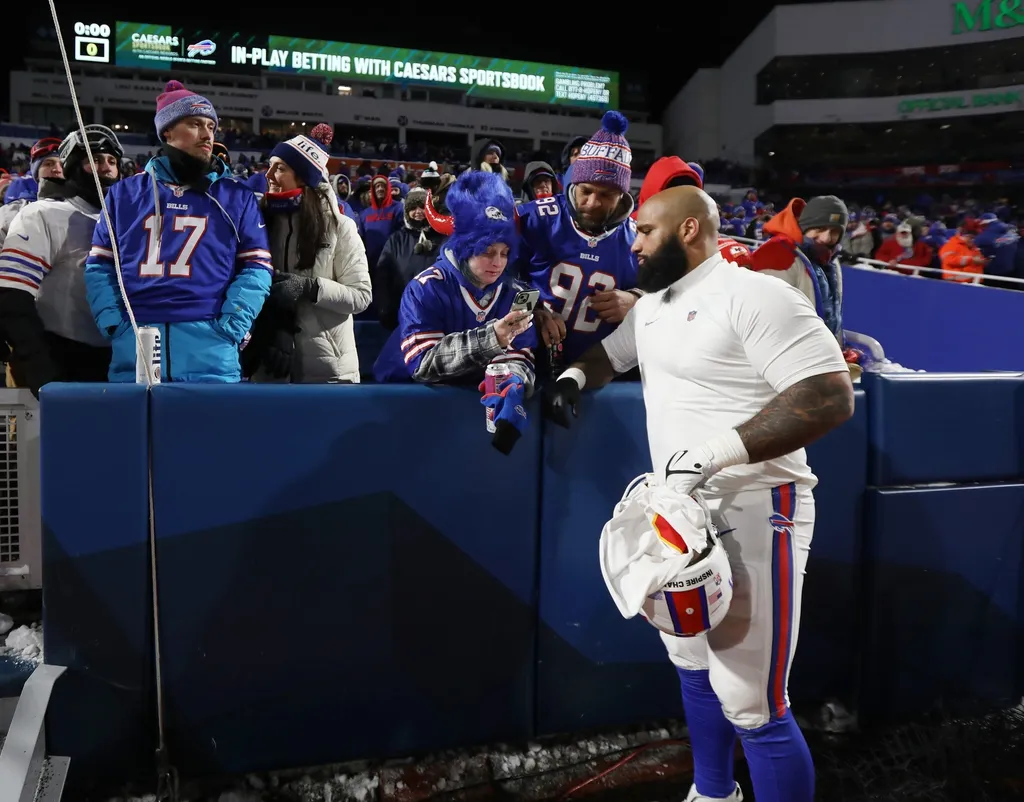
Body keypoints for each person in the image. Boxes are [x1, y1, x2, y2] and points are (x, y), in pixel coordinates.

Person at [546, 186, 855, 802]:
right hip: (681, 510)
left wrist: (714, 454)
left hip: (757, 504)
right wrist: (576, 376)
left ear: (690, 230)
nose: (633, 242)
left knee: (753, 702)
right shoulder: (656, 303)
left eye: (646, 231)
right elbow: (614, 353)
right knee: (692, 666)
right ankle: (713, 793)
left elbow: (829, 395)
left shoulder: (754, 294)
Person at [85, 80, 272, 382]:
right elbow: (99, 266)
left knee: (209, 429)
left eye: (211, 126)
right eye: (195, 124)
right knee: (136, 429)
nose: (207, 134)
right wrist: (114, 324)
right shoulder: (123, 195)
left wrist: (231, 327)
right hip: (136, 340)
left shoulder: (236, 197)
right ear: (167, 131)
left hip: (211, 344)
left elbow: (257, 267)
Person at [373, 171, 537, 452]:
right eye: (487, 251)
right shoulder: (425, 287)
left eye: (504, 252)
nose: (498, 263)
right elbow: (423, 364)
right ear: (464, 248)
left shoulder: (513, 292)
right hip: (399, 403)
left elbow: (521, 353)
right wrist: (491, 339)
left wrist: (512, 379)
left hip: (464, 410)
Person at [0, 126, 123, 395]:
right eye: (94, 159)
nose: (105, 168)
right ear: (72, 166)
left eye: (111, 161)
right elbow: (12, 294)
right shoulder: (44, 214)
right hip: (63, 356)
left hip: (118, 360)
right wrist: (40, 365)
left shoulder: (127, 221)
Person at [515, 110, 641, 367]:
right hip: (529, 361)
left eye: (607, 195)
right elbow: (503, 277)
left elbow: (667, 294)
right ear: (574, 183)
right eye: (586, 190)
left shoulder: (638, 237)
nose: (593, 203)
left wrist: (638, 301)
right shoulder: (535, 219)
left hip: (599, 370)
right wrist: (532, 311)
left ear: (622, 196)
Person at [247, 128, 371, 383]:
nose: (268, 175)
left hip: (329, 371)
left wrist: (310, 288)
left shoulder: (340, 227)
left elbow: (361, 296)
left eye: (280, 168)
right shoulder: (258, 220)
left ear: (303, 176)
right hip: (271, 364)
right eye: (269, 166)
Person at [0, 137, 65, 248]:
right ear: (36, 173)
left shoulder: (82, 211)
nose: (57, 169)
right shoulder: (10, 213)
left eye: (62, 165)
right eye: (48, 164)